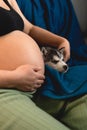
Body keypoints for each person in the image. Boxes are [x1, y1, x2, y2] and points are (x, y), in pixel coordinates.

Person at [0, 0, 70, 130]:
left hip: (41, 87)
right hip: (5, 90)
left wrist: (61, 41)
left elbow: (29, 29)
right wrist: (14, 78)